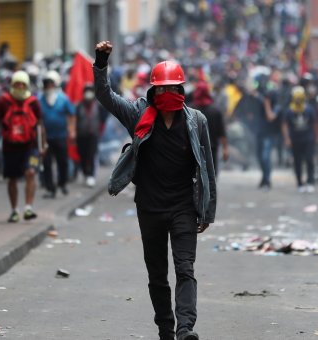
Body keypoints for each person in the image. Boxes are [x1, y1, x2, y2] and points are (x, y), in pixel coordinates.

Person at [93, 40, 216, 340]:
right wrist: (101, 63)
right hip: (149, 207)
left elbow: (208, 170)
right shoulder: (139, 115)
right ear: (153, 91)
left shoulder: (196, 121)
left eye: (173, 88)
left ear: (181, 91)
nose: (167, 94)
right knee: (157, 275)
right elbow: (105, 96)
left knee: (185, 268)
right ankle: (166, 329)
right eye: (161, 89)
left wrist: (207, 211)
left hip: (184, 207)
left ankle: (186, 328)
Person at [0, 70, 47, 223]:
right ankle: (14, 210)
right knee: (12, 178)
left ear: (27, 85)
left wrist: (43, 144)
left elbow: (40, 124)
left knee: (30, 173)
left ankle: (28, 207)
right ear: (12, 85)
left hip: (31, 146)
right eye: (17, 84)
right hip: (10, 146)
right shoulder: (4, 101)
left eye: (23, 84)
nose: (20, 87)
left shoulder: (33, 102)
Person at [39, 70, 76, 198]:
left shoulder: (63, 99)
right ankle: (50, 188)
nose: (48, 87)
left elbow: (71, 115)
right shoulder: (39, 100)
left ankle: (62, 183)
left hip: (60, 136)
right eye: (46, 84)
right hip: (45, 138)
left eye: (50, 84)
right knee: (47, 163)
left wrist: (71, 131)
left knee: (63, 161)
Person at [282, 86, 318, 193]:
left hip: (308, 139)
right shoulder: (289, 110)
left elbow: (314, 123)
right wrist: (287, 138)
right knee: (297, 162)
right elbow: (284, 124)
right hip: (295, 140)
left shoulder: (308, 109)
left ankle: (310, 181)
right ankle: (299, 183)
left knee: (309, 160)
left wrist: (316, 136)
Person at [190, 81, 229, 173]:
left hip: (193, 149)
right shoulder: (215, 111)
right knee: (211, 175)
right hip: (211, 149)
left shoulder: (189, 110)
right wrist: (225, 149)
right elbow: (222, 132)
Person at [75, 84, 108, 187]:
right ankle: (85, 173)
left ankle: (91, 175)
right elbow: (74, 120)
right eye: (86, 91)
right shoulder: (79, 106)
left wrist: (100, 131)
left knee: (92, 154)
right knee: (82, 155)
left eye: (90, 91)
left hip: (94, 134)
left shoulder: (98, 106)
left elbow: (103, 120)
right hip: (81, 135)